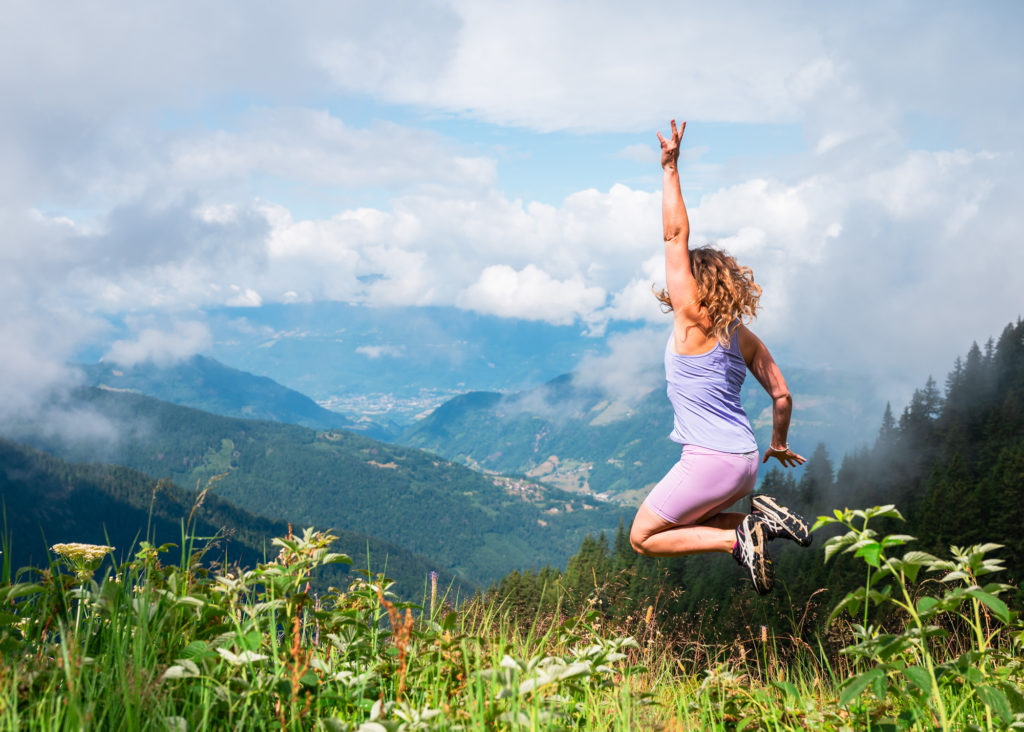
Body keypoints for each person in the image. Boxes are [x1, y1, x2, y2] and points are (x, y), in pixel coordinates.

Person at [628, 119, 811, 595]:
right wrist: (778, 444)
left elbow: (673, 237)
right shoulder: (742, 335)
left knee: (643, 537)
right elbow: (782, 393)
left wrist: (670, 168)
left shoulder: (690, 320)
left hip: (710, 460)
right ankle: (762, 519)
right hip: (747, 460)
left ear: (693, 281)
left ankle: (737, 540)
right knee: (700, 513)